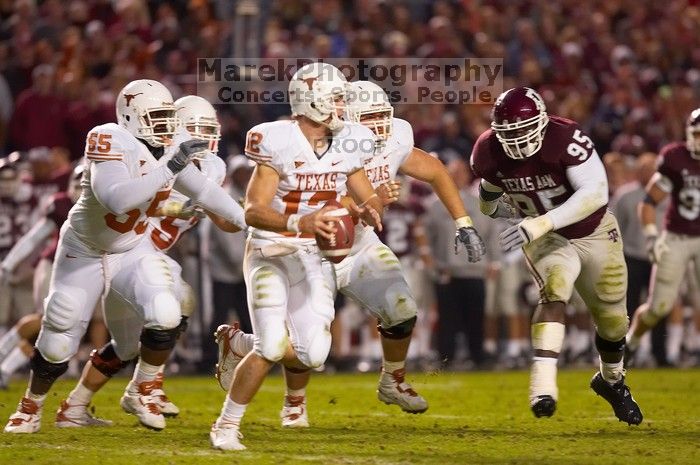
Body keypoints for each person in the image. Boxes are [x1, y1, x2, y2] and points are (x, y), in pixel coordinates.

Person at [214, 80, 486, 428]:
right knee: (309, 345)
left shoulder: (393, 138)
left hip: (361, 246)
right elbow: (318, 203)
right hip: (314, 248)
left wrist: (463, 222)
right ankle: (287, 394)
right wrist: (367, 200)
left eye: (382, 116)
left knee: (402, 310)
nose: (380, 126)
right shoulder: (321, 144)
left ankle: (393, 380)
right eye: (369, 117)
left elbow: (433, 170)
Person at [4, 80, 247, 434]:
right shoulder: (109, 137)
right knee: (59, 334)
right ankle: (30, 407)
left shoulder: (177, 149)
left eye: (169, 116)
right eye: (158, 116)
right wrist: (171, 168)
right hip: (85, 249)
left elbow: (206, 192)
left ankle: (144, 387)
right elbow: (117, 199)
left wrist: (251, 223)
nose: (167, 125)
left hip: (133, 248)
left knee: (168, 308)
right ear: (132, 116)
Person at [209, 63, 384, 451]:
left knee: (314, 353)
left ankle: (238, 343)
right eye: (336, 98)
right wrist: (300, 221)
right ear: (312, 101)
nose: (343, 106)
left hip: (313, 255)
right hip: (270, 248)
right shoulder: (277, 140)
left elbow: (364, 193)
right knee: (272, 345)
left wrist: (369, 208)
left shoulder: (351, 140)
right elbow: (252, 210)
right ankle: (226, 425)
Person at [470, 86, 642, 425]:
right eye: (510, 134)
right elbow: (490, 188)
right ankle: (543, 386)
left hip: (593, 231)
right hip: (546, 239)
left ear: (542, 122)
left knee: (613, 321)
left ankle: (611, 381)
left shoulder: (565, 137)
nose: (517, 140)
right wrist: (492, 207)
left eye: (523, 130)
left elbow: (595, 193)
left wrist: (541, 221)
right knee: (555, 288)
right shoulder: (488, 151)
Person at [626, 109, 700, 365]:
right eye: (697, 134)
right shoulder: (675, 157)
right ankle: (632, 342)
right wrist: (650, 236)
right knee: (659, 307)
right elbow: (648, 201)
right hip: (677, 237)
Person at [0, 164, 83, 389]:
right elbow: (33, 238)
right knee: (46, 317)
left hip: (80, 271)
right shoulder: (60, 205)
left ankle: (5, 369)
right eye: (76, 184)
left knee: (63, 323)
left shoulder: (104, 206)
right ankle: (3, 361)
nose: (80, 190)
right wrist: (8, 264)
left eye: (83, 185)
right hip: (52, 264)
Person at [424, 159, 497, 368]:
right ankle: (446, 358)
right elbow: (426, 238)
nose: (457, 176)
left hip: (475, 270)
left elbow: (491, 235)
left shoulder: (479, 203)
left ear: (468, 175)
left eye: (461, 172)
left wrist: (494, 262)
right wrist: (434, 266)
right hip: (447, 270)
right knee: (447, 320)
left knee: (476, 318)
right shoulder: (435, 205)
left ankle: (478, 357)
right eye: (453, 173)